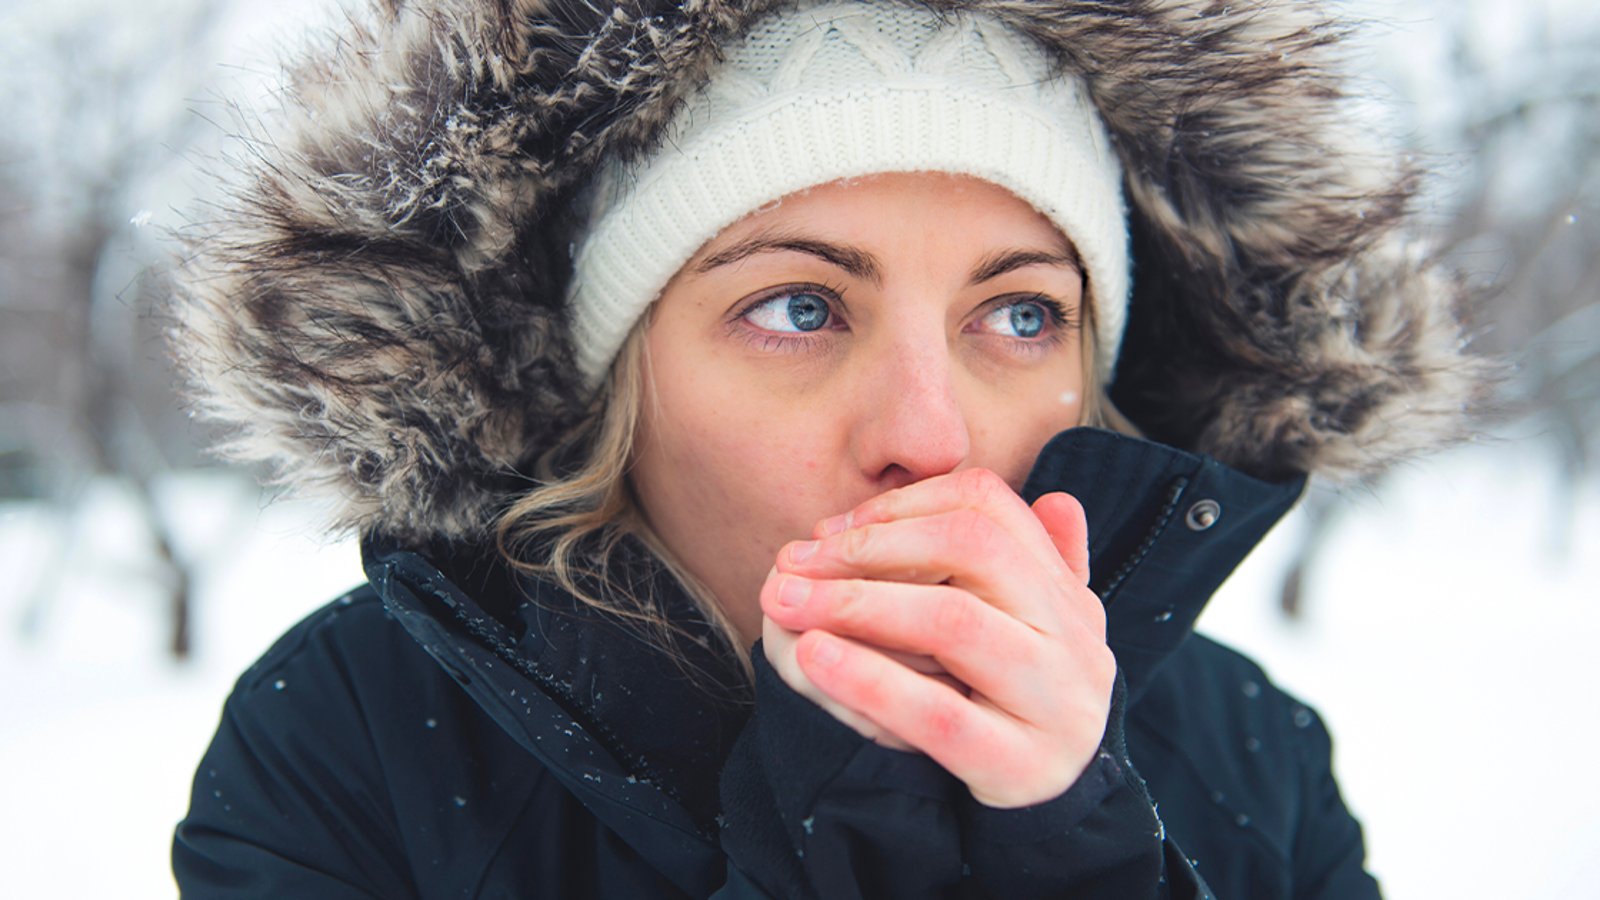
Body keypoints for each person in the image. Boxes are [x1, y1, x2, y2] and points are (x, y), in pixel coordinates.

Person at [169, 1, 1488, 897]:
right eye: (800, 308)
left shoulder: (1250, 751)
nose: (931, 433)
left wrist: (1067, 848)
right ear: (617, 380)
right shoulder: (352, 748)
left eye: (1020, 315)